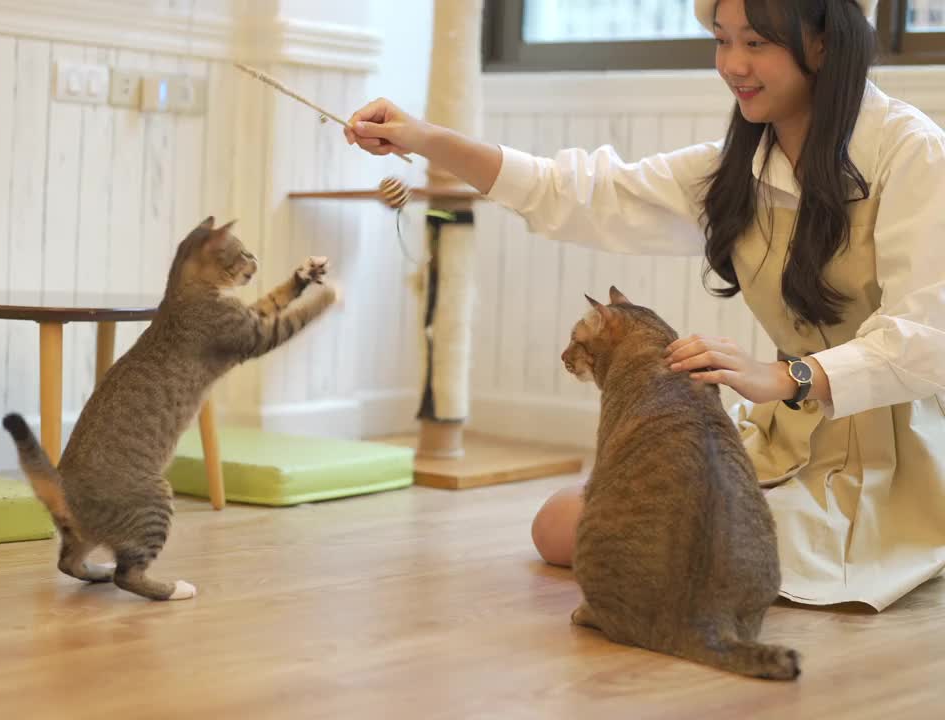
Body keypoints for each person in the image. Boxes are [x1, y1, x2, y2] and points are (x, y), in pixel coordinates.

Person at [344, 0, 945, 612]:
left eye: (757, 44)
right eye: (722, 40)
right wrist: (422, 138)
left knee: (677, 546)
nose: (733, 64)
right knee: (559, 523)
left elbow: (927, 336)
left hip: (897, 458)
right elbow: (582, 193)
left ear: (822, 44)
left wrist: (783, 376)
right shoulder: (738, 168)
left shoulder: (911, 152)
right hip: (783, 436)